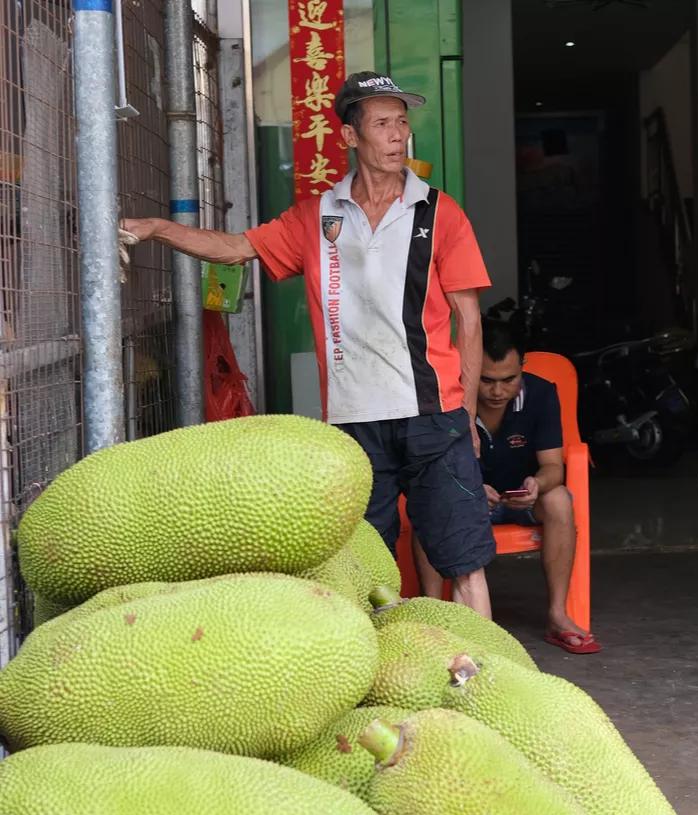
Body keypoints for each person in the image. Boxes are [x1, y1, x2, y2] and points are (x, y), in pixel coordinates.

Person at [121, 71, 495, 617]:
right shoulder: (315, 217)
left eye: (402, 124)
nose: (397, 136)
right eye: (383, 124)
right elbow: (235, 249)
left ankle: (480, 684)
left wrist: (463, 411)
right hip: (352, 421)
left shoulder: (441, 213)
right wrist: (156, 227)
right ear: (350, 136)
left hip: (432, 415)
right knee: (364, 569)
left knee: (464, 560)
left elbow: (470, 320)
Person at [415, 318, 600, 655]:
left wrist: (536, 485)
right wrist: (470, 490)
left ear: (522, 368)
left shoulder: (541, 394)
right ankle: (433, 614)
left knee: (558, 499)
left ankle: (558, 615)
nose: (497, 391)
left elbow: (553, 468)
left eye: (508, 380)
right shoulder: (449, 397)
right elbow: (434, 464)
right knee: (428, 502)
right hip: (467, 501)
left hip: (523, 502)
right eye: (486, 380)